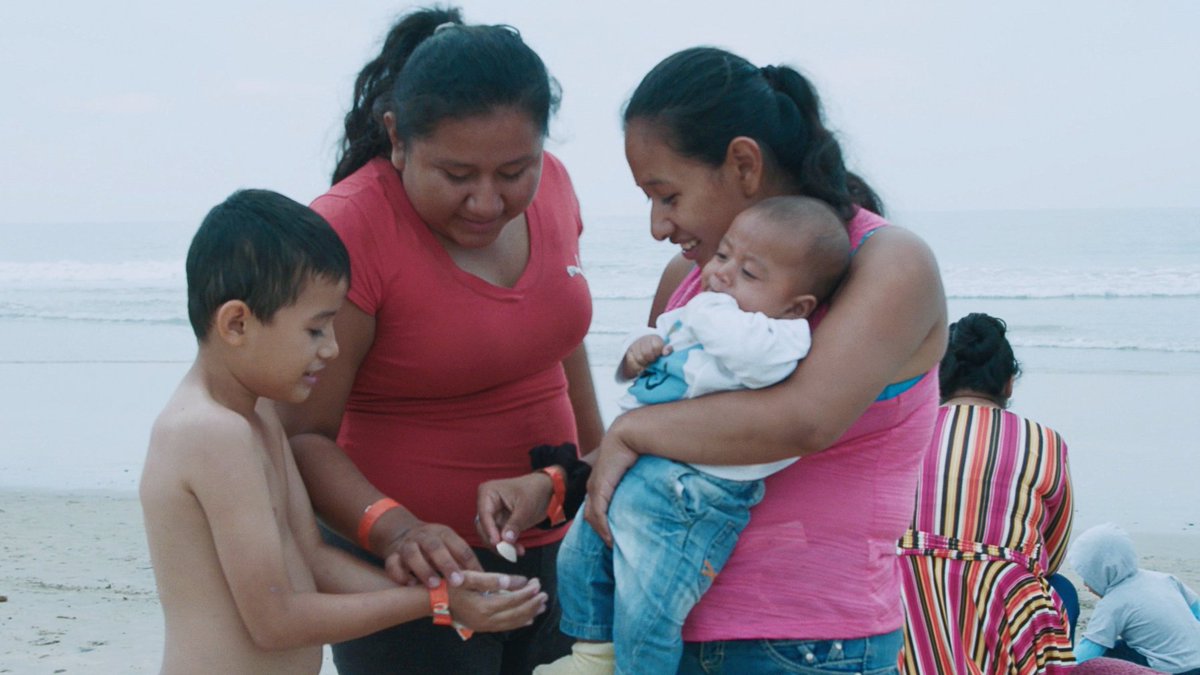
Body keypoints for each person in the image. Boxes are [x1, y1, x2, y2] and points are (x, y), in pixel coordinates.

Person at [569, 46, 948, 674]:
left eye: (667, 195)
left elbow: (803, 420)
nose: (660, 226)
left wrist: (629, 430)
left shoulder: (887, 263)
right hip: (662, 632)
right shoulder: (688, 280)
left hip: (808, 645)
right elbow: (674, 427)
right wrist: (557, 481)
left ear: (744, 163)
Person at [275, 7, 602, 674]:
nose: (487, 201)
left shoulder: (557, 187)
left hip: (566, 546)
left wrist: (597, 482)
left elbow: (559, 339)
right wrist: (397, 529)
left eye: (514, 172)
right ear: (397, 139)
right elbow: (300, 434)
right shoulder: (349, 228)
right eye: (457, 176)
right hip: (413, 576)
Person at [140, 190, 547, 675]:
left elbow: (310, 556)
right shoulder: (210, 433)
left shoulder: (258, 416)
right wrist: (435, 603)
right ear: (236, 323)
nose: (332, 349)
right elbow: (275, 620)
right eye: (315, 330)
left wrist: (450, 595)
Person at [541, 196, 850, 673]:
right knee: (579, 558)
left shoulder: (781, 336)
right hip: (640, 467)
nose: (722, 273)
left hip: (693, 497)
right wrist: (635, 355)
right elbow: (646, 370)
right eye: (723, 256)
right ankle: (593, 655)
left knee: (650, 606)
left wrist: (708, 311)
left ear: (796, 306)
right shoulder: (704, 309)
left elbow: (748, 358)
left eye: (749, 273)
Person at [896, 312, 1075, 673]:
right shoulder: (1045, 442)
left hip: (904, 605)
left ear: (938, 378)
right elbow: (1051, 556)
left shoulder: (902, 431)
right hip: (1005, 611)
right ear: (1008, 383)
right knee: (1061, 590)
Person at [1068, 522, 1200, 674]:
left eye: (1089, 577)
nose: (1085, 584)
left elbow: (1089, 650)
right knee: (1122, 646)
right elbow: (1197, 611)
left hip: (1173, 670)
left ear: (1102, 572)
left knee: (1101, 659)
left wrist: (1063, 669)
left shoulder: (1113, 603)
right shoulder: (1164, 579)